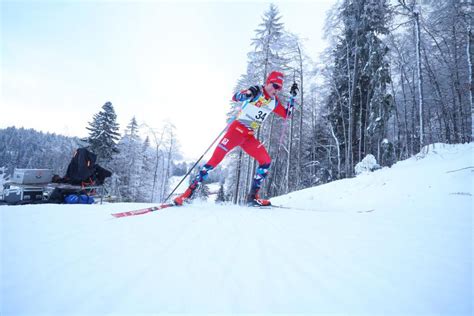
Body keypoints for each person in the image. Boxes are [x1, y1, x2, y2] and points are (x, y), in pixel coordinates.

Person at [174, 71, 298, 206]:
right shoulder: (257, 91)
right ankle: (187, 194)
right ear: (268, 83)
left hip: (248, 137)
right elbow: (235, 97)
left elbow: (287, 114)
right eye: (275, 85)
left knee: (266, 161)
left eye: (279, 87)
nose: (277, 90)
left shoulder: (273, 102)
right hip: (235, 132)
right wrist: (247, 94)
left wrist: (292, 97)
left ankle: (253, 198)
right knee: (214, 161)